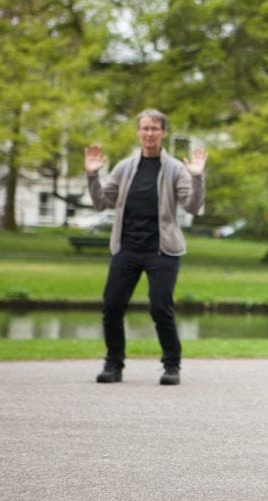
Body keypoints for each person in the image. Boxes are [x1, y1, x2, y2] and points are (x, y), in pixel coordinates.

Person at [85, 109, 207, 385]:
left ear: (163, 133)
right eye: (145, 128)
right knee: (113, 306)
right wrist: (92, 176)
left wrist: (198, 177)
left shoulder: (175, 168)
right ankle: (113, 364)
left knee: (160, 307)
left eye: (155, 129)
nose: (149, 133)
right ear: (138, 132)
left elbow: (193, 206)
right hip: (126, 248)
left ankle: (171, 366)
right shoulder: (125, 167)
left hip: (161, 250)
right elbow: (101, 202)